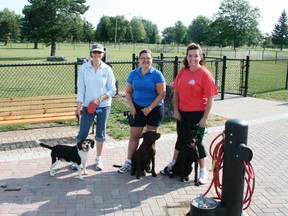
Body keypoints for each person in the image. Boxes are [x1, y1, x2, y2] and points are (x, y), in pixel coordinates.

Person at [160, 43, 218, 184]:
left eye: (195, 56)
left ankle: (203, 171)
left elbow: (211, 98)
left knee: (197, 143)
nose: (193, 58)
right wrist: (176, 110)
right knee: (181, 139)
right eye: (190, 55)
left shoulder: (205, 74)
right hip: (182, 114)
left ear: (200, 57)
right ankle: (174, 163)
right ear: (186, 57)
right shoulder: (183, 72)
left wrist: (205, 118)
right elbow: (176, 93)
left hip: (197, 115)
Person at [118, 49, 166, 174]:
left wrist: (150, 108)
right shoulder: (133, 74)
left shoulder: (157, 74)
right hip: (137, 108)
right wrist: (132, 106)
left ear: (152, 60)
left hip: (154, 109)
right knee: (134, 136)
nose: (145, 60)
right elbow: (128, 92)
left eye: (148, 58)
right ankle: (129, 162)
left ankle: (147, 163)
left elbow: (162, 93)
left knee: (151, 139)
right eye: (142, 58)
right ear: (139, 60)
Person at [71, 43, 116, 171]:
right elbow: (80, 89)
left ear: (103, 54)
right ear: (91, 53)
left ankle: (98, 159)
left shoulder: (107, 69)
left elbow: (113, 89)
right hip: (87, 106)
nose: (97, 55)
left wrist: (99, 99)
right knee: (82, 134)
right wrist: (78, 107)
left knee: (100, 133)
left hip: (104, 106)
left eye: (99, 53)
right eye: (94, 52)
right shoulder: (84, 68)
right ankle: (78, 158)